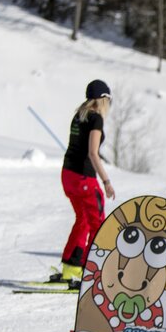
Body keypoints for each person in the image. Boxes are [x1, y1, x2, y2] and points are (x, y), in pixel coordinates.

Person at [53, 79, 115, 284]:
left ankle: (71, 270)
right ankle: (91, 271)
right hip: (84, 178)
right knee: (98, 223)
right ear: (103, 99)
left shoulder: (78, 116)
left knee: (83, 220)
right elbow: (92, 153)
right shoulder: (96, 118)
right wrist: (106, 181)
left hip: (68, 175)